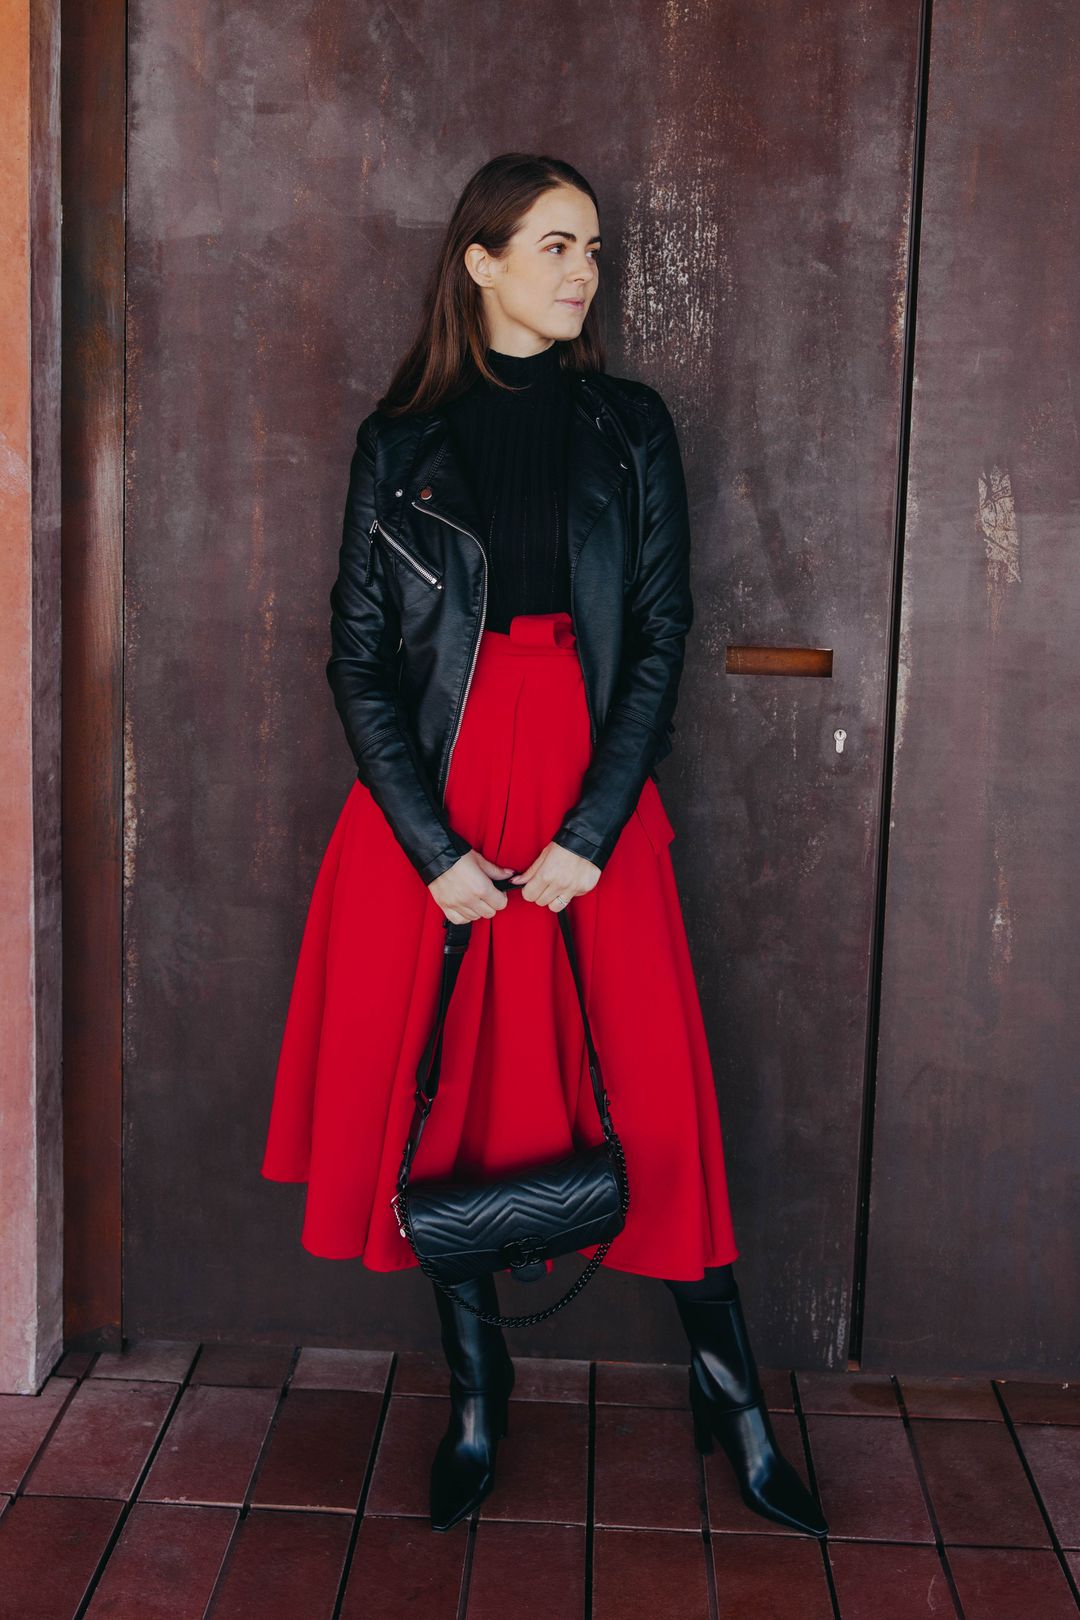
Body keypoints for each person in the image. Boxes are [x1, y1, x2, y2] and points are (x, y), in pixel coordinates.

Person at [260, 152, 827, 1541]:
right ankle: (476, 1395)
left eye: (593, 249)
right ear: (482, 261)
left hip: (590, 803)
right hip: (435, 814)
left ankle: (732, 1400)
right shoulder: (400, 442)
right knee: (448, 1099)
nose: (584, 271)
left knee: (655, 1093)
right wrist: (431, 849)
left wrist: (593, 828)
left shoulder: (630, 427)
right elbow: (357, 661)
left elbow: (661, 637)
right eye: (557, 245)